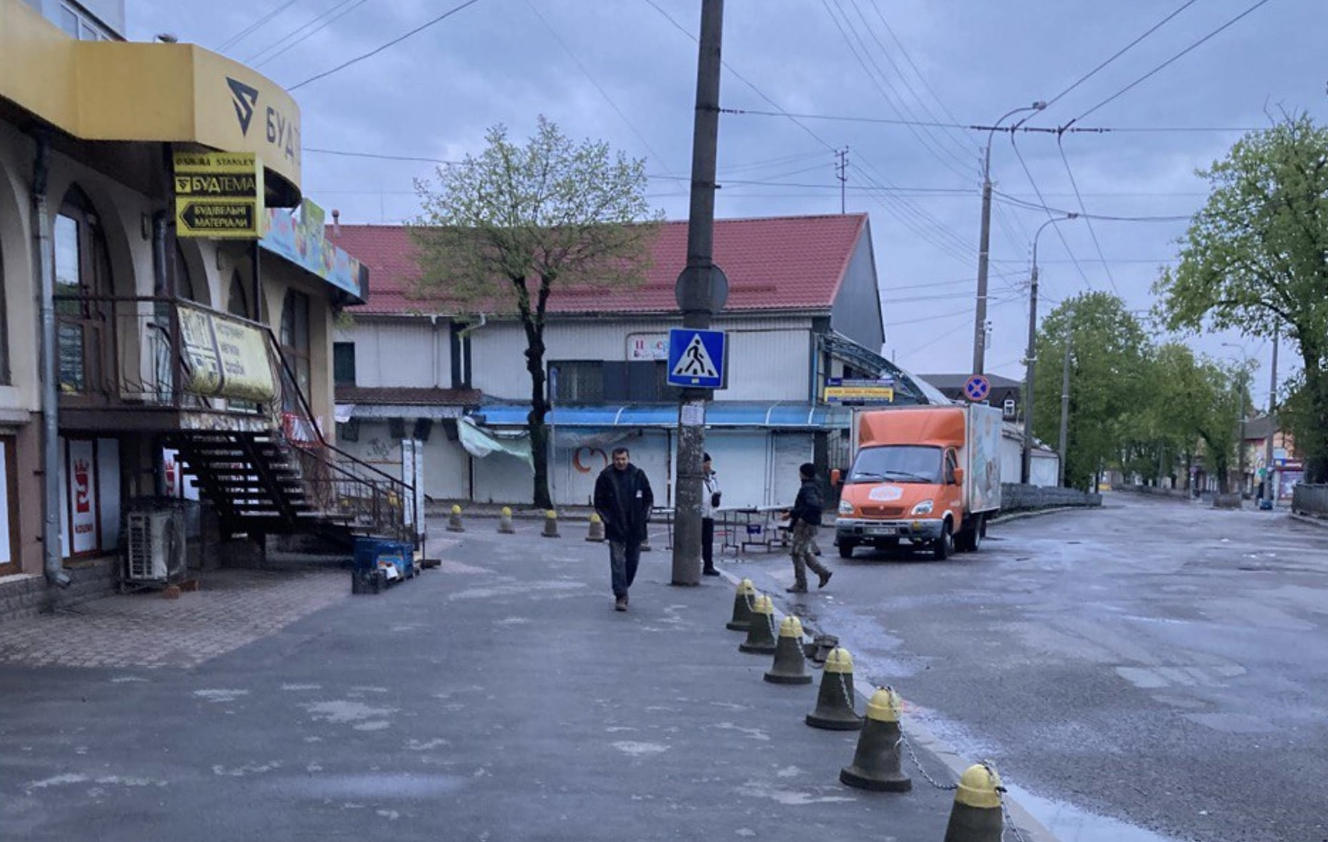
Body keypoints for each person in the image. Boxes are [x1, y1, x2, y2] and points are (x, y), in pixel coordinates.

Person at [593, 447, 654, 611]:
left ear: (628, 458)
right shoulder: (605, 477)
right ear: (613, 460)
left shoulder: (638, 475)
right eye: (617, 459)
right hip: (615, 527)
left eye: (623, 459)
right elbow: (599, 503)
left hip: (636, 527)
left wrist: (644, 518)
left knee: (632, 561)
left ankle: (624, 585)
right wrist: (608, 520)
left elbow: (649, 499)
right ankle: (620, 595)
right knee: (617, 562)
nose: (620, 462)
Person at [787, 462, 832, 593]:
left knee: (796, 553)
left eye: (800, 472)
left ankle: (801, 584)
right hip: (810, 522)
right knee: (805, 551)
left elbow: (811, 505)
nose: (799, 474)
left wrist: (799, 516)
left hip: (805, 524)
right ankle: (823, 573)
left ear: (804, 474)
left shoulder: (807, 488)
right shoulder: (815, 485)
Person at [701, 453, 721, 576]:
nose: (708, 466)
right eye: (706, 463)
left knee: (708, 542)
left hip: (709, 514)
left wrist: (717, 498)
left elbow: (714, 492)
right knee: (696, 542)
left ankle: (708, 566)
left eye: (709, 463)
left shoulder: (712, 479)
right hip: (699, 516)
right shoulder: (696, 479)